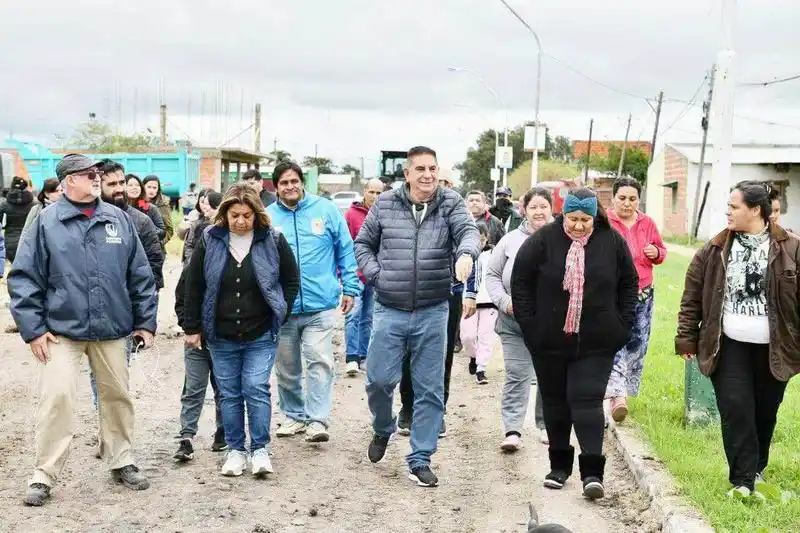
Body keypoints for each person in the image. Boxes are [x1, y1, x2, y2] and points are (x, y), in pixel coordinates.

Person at [9, 153, 157, 506]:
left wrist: (145, 321)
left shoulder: (117, 219)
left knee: (118, 396)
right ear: (67, 181)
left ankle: (122, 460)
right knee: (56, 397)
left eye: (97, 173)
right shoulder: (45, 222)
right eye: (88, 174)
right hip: (62, 331)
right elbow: (24, 277)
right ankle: (43, 474)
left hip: (112, 327)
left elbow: (139, 273)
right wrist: (33, 329)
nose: (96, 178)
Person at [355, 145, 480, 487]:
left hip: (432, 308)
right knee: (379, 381)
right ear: (407, 174)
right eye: (420, 169)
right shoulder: (385, 204)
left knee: (429, 388)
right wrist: (376, 274)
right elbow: (362, 245)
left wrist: (466, 254)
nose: (428, 175)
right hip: (389, 308)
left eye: (433, 168)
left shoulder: (450, 203)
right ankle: (383, 428)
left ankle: (420, 457)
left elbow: (468, 232)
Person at [511, 187, 637, 500]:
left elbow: (629, 283)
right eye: (572, 218)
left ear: (595, 217)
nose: (578, 226)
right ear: (562, 214)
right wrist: (531, 326)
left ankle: (593, 473)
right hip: (549, 340)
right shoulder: (542, 241)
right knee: (555, 401)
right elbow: (521, 282)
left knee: (585, 400)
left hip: (597, 340)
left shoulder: (611, 242)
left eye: (585, 220)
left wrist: (622, 325)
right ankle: (559, 468)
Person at [676, 180, 800, 498]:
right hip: (727, 344)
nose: (727, 212)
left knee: (764, 411)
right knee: (735, 408)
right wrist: (687, 338)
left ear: (755, 210)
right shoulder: (715, 248)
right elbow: (692, 296)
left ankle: (756, 468)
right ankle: (742, 481)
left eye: (734, 207)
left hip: (776, 348)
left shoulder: (791, 248)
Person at [183, 182, 300, 476]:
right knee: (229, 393)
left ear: (256, 215)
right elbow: (193, 285)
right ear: (224, 213)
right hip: (220, 334)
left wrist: (280, 310)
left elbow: (291, 280)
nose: (240, 221)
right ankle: (235, 450)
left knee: (255, 388)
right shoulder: (210, 239)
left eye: (247, 215)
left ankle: (260, 449)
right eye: (235, 215)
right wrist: (192, 327)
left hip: (260, 332)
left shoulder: (272, 239)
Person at [267, 161, 360, 443]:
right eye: (284, 183)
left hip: (320, 304)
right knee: (286, 366)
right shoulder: (268, 217)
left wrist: (350, 287)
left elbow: (345, 249)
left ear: (301, 182)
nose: (290, 186)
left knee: (319, 361)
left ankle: (317, 420)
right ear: (276, 187)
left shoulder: (326, 210)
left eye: (294, 181)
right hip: (282, 307)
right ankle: (294, 416)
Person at [86, 160, 165, 418]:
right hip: (89, 313)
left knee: (117, 372)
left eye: (122, 182)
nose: (120, 189)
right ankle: (105, 422)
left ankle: (114, 427)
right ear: (99, 186)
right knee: (96, 372)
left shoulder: (140, 222)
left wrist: (144, 317)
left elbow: (153, 266)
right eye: (112, 184)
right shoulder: (85, 220)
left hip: (124, 314)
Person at [486, 186, 553, 452]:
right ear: (524, 209)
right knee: (518, 373)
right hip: (513, 322)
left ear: (551, 209)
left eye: (543, 206)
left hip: (550, 323)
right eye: (533, 206)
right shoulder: (510, 239)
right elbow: (491, 275)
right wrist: (504, 302)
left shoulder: (562, 238)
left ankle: (547, 425)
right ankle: (512, 429)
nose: (538, 211)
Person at [605, 178, 667, 422]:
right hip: (613, 294)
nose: (627, 203)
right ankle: (616, 395)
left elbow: (661, 252)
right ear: (613, 198)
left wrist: (656, 253)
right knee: (615, 342)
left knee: (638, 342)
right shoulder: (605, 223)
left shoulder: (647, 222)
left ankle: (624, 390)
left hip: (643, 292)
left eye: (632, 199)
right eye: (622, 198)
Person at [342, 178, 384, 376]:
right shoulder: (351, 214)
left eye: (379, 193)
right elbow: (345, 245)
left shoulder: (384, 213)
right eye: (371, 192)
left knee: (368, 316)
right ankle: (351, 356)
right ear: (364, 191)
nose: (374, 197)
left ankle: (363, 355)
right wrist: (344, 273)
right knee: (353, 315)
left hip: (375, 274)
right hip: (355, 274)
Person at [461, 221, 498, 385]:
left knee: (485, 336)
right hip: (468, 301)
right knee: (467, 336)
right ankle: (474, 357)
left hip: (489, 301)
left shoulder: (494, 254)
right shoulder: (464, 256)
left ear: (486, 239)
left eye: (482, 240)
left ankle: (481, 368)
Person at [182, 191, 223, 266]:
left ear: (217, 206)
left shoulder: (226, 227)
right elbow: (191, 247)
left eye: (207, 204)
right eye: (203, 203)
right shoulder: (201, 226)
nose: (204, 207)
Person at [1, 176, 35, 262]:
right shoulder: (35, 205)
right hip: (30, 242)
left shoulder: (4, 205)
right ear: (26, 187)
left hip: (10, 242)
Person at [127, 174, 166, 240]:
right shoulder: (117, 207)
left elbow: (162, 232)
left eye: (137, 185)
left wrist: (148, 229)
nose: (135, 187)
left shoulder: (150, 208)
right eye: (130, 185)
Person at [143, 174, 175, 249]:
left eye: (154, 188)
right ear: (143, 187)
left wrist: (159, 244)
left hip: (156, 249)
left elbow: (169, 230)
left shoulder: (163, 205)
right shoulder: (136, 202)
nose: (152, 190)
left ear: (158, 189)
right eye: (149, 187)